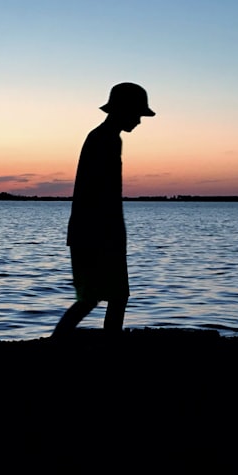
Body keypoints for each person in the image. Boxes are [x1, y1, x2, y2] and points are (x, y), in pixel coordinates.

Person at [52, 82, 155, 337]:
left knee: (113, 296)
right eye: (138, 115)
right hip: (96, 233)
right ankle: (57, 344)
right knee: (99, 297)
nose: (139, 122)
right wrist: (110, 234)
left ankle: (106, 345)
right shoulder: (104, 139)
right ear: (124, 110)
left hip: (96, 232)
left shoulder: (106, 138)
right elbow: (100, 193)